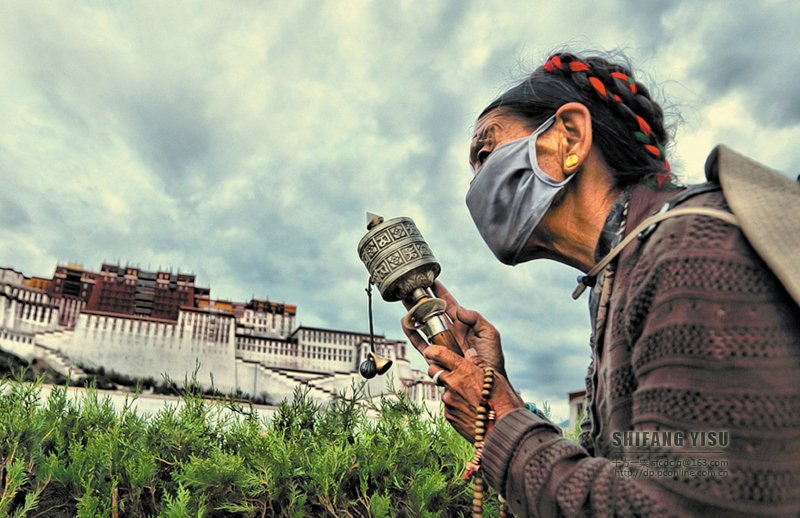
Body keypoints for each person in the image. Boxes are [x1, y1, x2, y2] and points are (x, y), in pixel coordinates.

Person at [401, 52, 800, 516]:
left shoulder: (688, 252)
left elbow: (665, 504)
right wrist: (497, 388)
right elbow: (621, 470)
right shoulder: (621, 272)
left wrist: (498, 425)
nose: (477, 187)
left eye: (486, 155)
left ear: (569, 137)